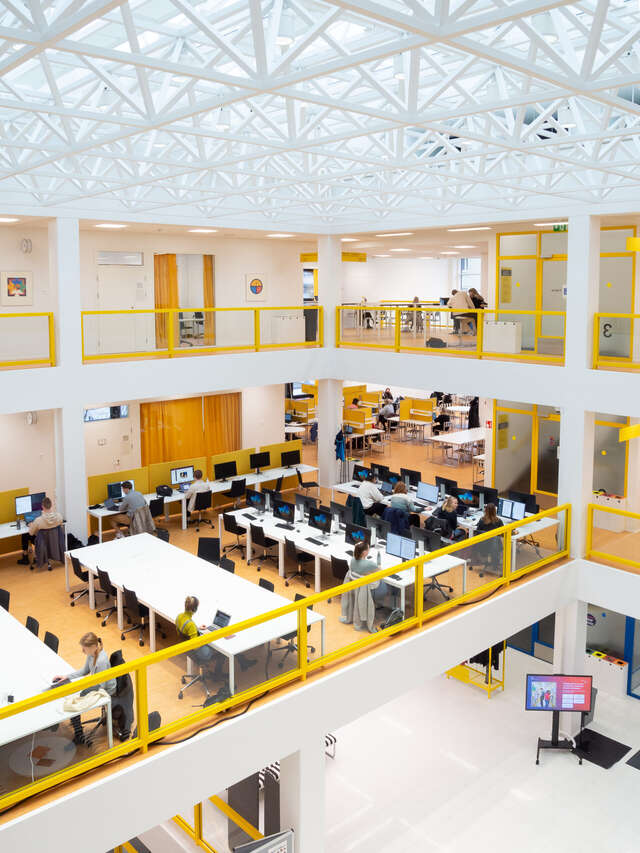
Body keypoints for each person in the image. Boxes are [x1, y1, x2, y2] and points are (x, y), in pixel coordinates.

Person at [53, 632, 116, 745]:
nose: (83, 651)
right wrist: (66, 676)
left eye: (84, 649)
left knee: (75, 700)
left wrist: (84, 688)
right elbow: (85, 671)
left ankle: (79, 734)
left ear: (93, 647)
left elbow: (102, 686)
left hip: (104, 690)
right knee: (74, 695)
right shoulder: (91, 654)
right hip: (96, 685)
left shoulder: (101, 661)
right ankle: (78, 731)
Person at [17, 496, 63, 566]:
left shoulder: (38, 520)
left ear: (42, 506)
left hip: (42, 543)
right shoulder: (59, 516)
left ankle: (25, 557)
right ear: (51, 505)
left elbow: (31, 533)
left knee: (25, 535)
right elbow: (60, 526)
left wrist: (31, 525)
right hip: (54, 542)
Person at [475, 503, 504, 575]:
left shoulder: (482, 520)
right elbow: (503, 533)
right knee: (495, 541)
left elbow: (477, 532)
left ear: (485, 510)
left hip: (483, 546)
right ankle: (495, 563)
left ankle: (490, 560)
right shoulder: (498, 521)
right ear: (495, 511)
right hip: (495, 547)